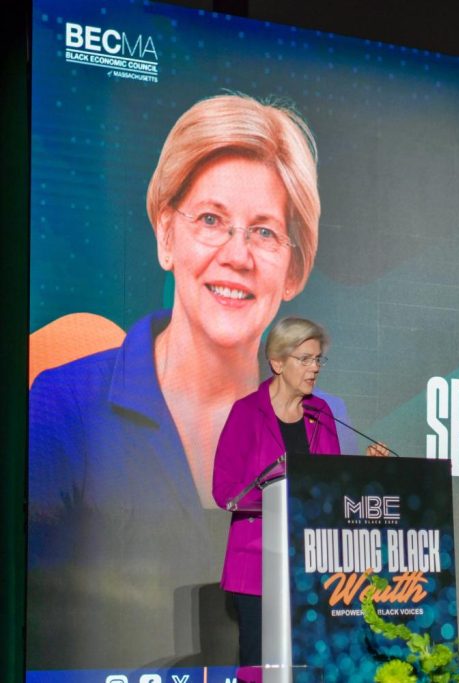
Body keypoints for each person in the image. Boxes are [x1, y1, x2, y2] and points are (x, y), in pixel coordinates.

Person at [27, 94, 357, 668]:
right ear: (165, 234)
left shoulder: (331, 422)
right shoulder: (63, 407)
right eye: (211, 220)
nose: (237, 255)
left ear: (294, 269)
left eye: (264, 232)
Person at [213, 317, 340, 674]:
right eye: (306, 359)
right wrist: (276, 492)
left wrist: (363, 471)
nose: (314, 368)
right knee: (259, 664)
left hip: (310, 564)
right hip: (256, 560)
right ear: (278, 363)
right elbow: (225, 492)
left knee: (310, 663)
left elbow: (330, 484)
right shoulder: (246, 413)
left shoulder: (321, 414)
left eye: (318, 360)